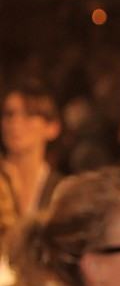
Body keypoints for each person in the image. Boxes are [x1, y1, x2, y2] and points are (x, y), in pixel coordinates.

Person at [0, 82, 62, 218]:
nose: (15, 123)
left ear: (52, 127)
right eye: (9, 114)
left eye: (28, 114)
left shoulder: (61, 191)